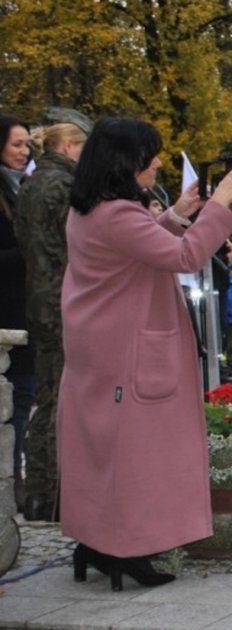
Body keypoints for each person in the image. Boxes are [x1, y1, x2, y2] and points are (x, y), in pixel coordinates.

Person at [60, 117, 232, 590]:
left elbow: (144, 245)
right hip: (129, 353)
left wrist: (180, 213)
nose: (159, 161)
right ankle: (127, 547)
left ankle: (96, 541)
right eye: (152, 154)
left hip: (102, 350)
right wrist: (218, 208)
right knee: (135, 456)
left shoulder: (92, 209)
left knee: (99, 451)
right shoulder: (116, 214)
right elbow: (182, 257)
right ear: (127, 161)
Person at [12, 115, 90, 521]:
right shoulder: (63, 185)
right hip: (64, 298)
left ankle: (41, 491)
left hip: (38, 299)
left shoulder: (29, 183)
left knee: (47, 397)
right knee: (64, 398)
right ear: (67, 147)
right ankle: (57, 490)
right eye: (83, 147)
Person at [0, 115, 34, 514]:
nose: (24, 152)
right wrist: (27, 252)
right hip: (7, 310)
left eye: (28, 144)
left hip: (25, 308)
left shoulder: (21, 189)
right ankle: (13, 482)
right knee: (17, 400)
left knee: (24, 398)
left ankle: (18, 477)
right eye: (16, 144)